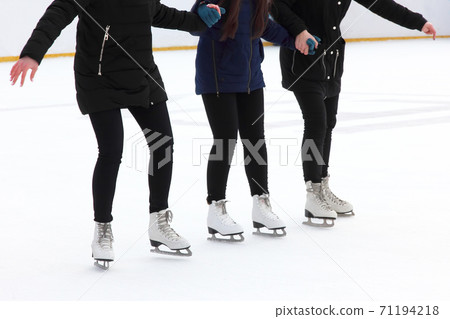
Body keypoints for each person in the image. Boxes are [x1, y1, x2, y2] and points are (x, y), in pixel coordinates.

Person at [9, 0, 223, 267]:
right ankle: (102, 228)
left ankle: (159, 221)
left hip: (141, 74)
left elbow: (167, 16)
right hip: (97, 77)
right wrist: (33, 53)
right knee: (111, 151)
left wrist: (200, 20)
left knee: (163, 144)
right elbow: (57, 14)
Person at [270, 0, 437, 227]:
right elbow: (274, 5)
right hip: (304, 56)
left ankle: (323, 186)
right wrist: (299, 29)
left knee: (328, 123)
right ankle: (313, 192)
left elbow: (380, 4)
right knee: (316, 122)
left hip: (331, 59)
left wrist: (418, 22)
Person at [192, 0, 297, 241]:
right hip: (217, 77)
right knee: (225, 140)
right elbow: (195, 25)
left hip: (250, 77)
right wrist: (202, 11)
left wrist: (295, 40)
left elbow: (263, 28)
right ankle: (216, 208)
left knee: (255, 140)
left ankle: (261, 203)